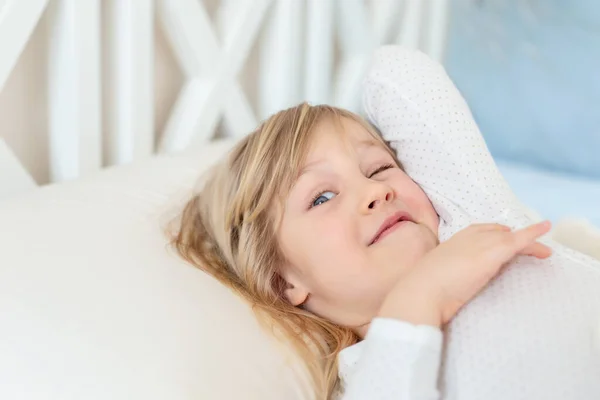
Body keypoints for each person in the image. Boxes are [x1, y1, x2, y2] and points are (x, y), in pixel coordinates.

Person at [171, 46, 600, 399]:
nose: (376, 191)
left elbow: (400, 73)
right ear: (284, 282)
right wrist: (419, 298)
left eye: (379, 168)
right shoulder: (372, 371)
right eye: (322, 197)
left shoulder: (478, 218)